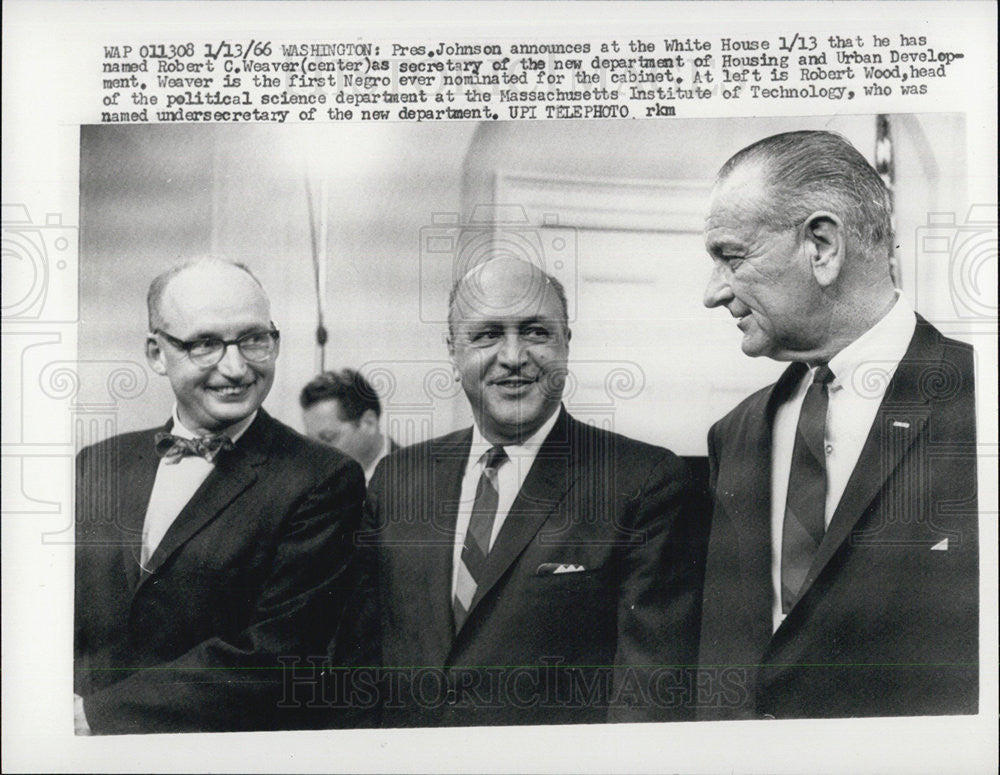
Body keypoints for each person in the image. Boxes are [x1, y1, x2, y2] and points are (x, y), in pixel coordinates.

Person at [352, 255, 705, 727]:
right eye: (487, 334)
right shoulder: (397, 478)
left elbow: (648, 693)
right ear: (452, 352)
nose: (514, 356)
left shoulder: (643, 482)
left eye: (536, 332)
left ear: (566, 345)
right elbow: (361, 665)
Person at [698, 130, 978, 719]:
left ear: (821, 246)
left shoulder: (980, 401)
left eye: (731, 256)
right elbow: (724, 651)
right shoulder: (738, 432)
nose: (713, 292)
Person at [74, 258, 366, 734]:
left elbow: (277, 655)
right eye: (205, 343)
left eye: (253, 339)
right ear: (156, 353)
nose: (235, 368)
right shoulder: (98, 463)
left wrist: (96, 717)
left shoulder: (323, 479)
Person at [300, 368, 398, 482]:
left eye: (328, 438)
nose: (316, 456)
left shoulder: (418, 477)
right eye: (311, 443)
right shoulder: (313, 484)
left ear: (369, 423)